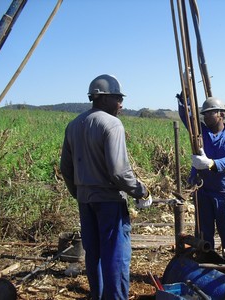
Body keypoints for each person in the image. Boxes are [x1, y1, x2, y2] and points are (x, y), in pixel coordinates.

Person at [60, 74, 152, 300]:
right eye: (117, 98)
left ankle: (98, 296)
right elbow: (119, 172)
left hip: (85, 200)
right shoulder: (112, 124)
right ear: (101, 98)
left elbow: (66, 167)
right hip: (109, 201)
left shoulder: (74, 125)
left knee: (94, 253)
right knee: (116, 256)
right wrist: (141, 191)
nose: (121, 103)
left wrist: (78, 193)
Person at [177, 92, 225, 263]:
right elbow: (187, 117)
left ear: (221, 114)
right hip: (203, 191)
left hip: (224, 193)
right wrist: (183, 100)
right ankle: (206, 265)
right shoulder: (200, 133)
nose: (206, 116)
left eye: (210, 113)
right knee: (203, 234)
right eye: (204, 113)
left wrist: (211, 164)